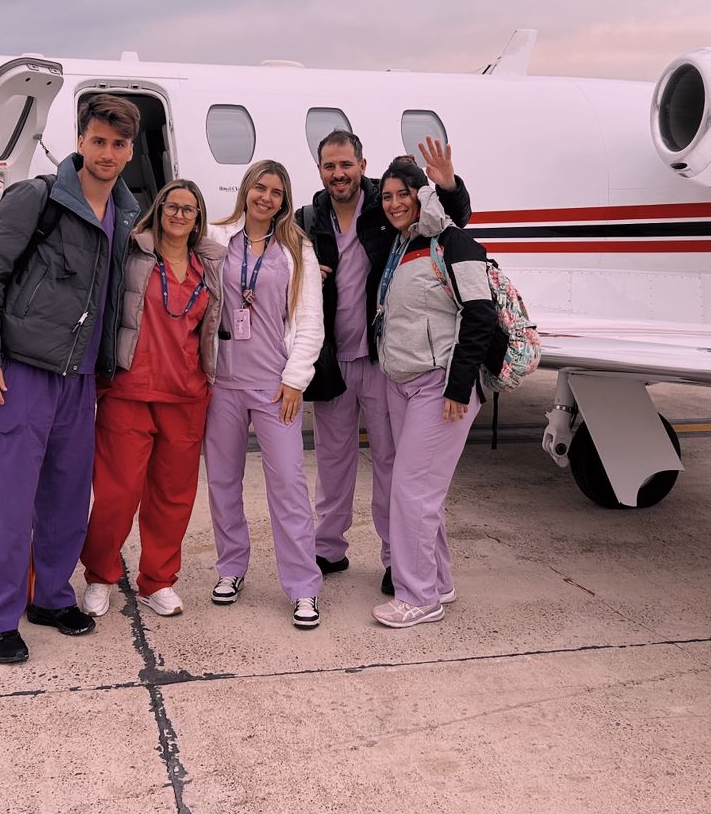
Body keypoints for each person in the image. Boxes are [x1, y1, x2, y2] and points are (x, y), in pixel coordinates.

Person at [0, 94, 142, 663]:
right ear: (80, 142)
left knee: (66, 500)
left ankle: (52, 597)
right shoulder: (36, 198)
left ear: (130, 151)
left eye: (117, 144)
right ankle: (0, 618)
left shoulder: (127, 213)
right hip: (22, 373)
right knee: (11, 504)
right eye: (98, 141)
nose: (107, 153)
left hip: (80, 379)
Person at [296, 131, 471, 594]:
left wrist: (447, 186)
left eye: (346, 165)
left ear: (362, 165)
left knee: (390, 464)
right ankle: (328, 548)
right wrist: (306, 273)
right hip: (333, 362)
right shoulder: (308, 219)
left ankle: (398, 557)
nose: (339, 174)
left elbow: (451, 220)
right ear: (320, 170)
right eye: (330, 166)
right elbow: (283, 268)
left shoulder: (385, 208)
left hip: (380, 361)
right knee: (332, 462)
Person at [79, 180, 225, 618]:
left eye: (188, 209)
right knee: (116, 494)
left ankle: (157, 580)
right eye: (171, 206)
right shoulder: (132, 253)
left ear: (198, 220)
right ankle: (100, 575)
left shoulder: (209, 265)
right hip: (130, 391)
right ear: (158, 210)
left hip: (187, 395)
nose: (179, 214)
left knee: (173, 497)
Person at [368, 156, 497, 628]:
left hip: (440, 385)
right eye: (387, 196)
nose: (394, 203)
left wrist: (458, 388)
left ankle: (419, 597)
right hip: (401, 381)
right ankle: (438, 580)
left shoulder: (455, 243)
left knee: (411, 491)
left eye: (403, 194)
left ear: (421, 196)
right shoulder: (402, 244)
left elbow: (480, 314)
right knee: (421, 492)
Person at [204, 159, 326, 629]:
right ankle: (231, 567)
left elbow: (310, 319)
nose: (266, 197)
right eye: (260, 187)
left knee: (289, 486)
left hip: (276, 387)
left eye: (276, 192)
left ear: (284, 200)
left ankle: (303, 586)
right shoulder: (217, 237)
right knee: (222, 482)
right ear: (246, 189)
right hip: (223, 384)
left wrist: (296, 379)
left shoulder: (297, 248)